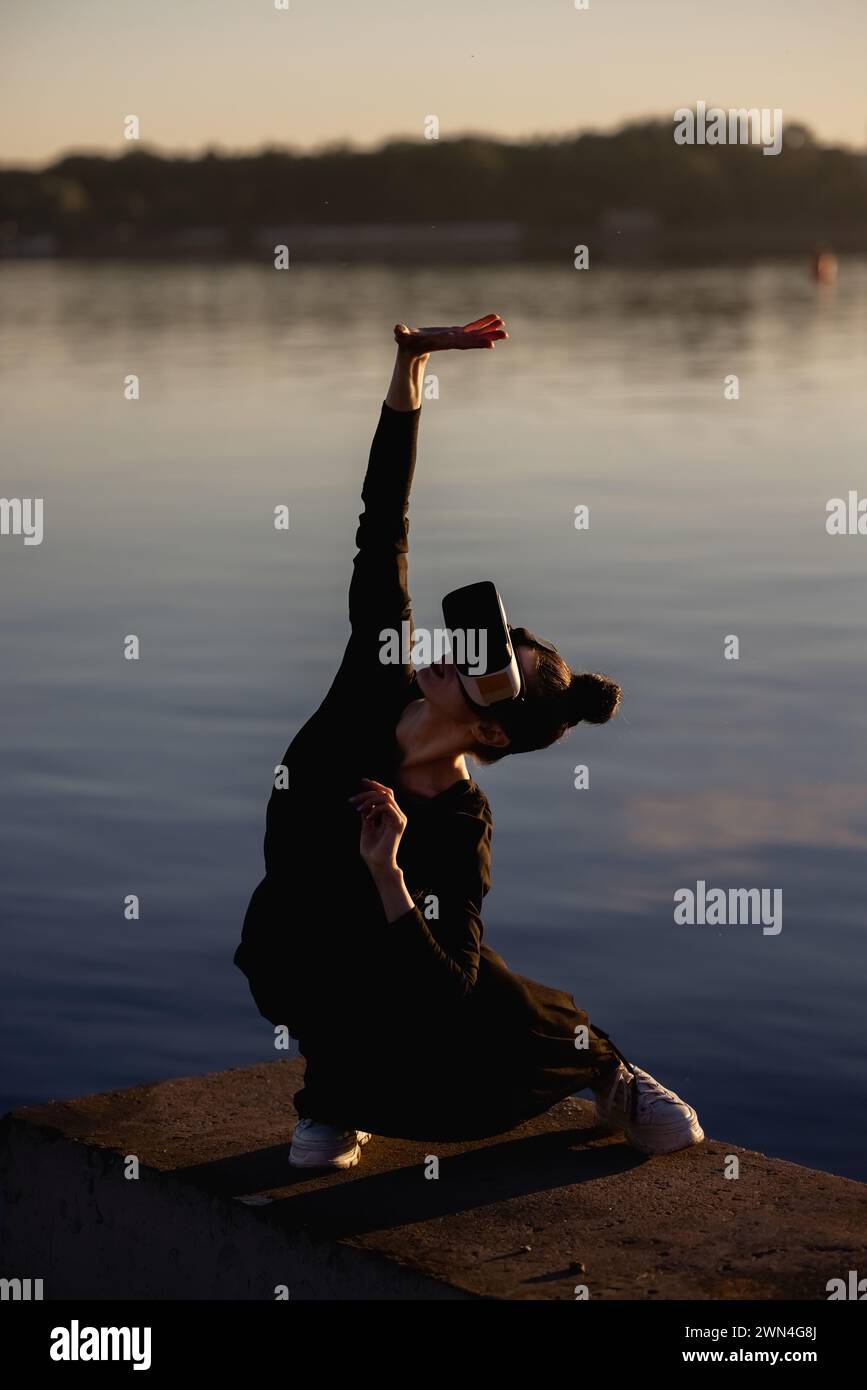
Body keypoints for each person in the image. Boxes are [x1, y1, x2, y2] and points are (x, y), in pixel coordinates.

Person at [234, 314, 704, 1170]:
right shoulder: (370, 681)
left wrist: (388, 872)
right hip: (296, 937)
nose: (453, 651)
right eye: (477, 638)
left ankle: (597, 1064)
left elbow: (441, 990)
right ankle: (335, 1091)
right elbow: (382, 522)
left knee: (479, 990)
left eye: (485, 664)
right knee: (290, 944)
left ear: (489, 730)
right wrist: (409, 365)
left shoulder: (458, 823)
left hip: (408, 972)